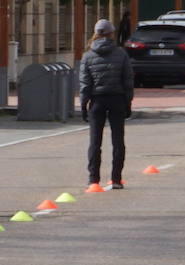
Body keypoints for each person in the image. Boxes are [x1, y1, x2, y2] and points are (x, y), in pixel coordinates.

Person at [79, 18, 133, 191]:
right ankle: (116, 179)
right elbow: (128, 80)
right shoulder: (121, 53)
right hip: (117, 99)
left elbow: (85, 83)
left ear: (95, 33)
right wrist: (128, 102)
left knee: (95, 142)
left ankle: (93, 179)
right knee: (118, 141)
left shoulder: (88, 56)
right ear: (111, 33)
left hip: (97, 101)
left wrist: (83, 104)